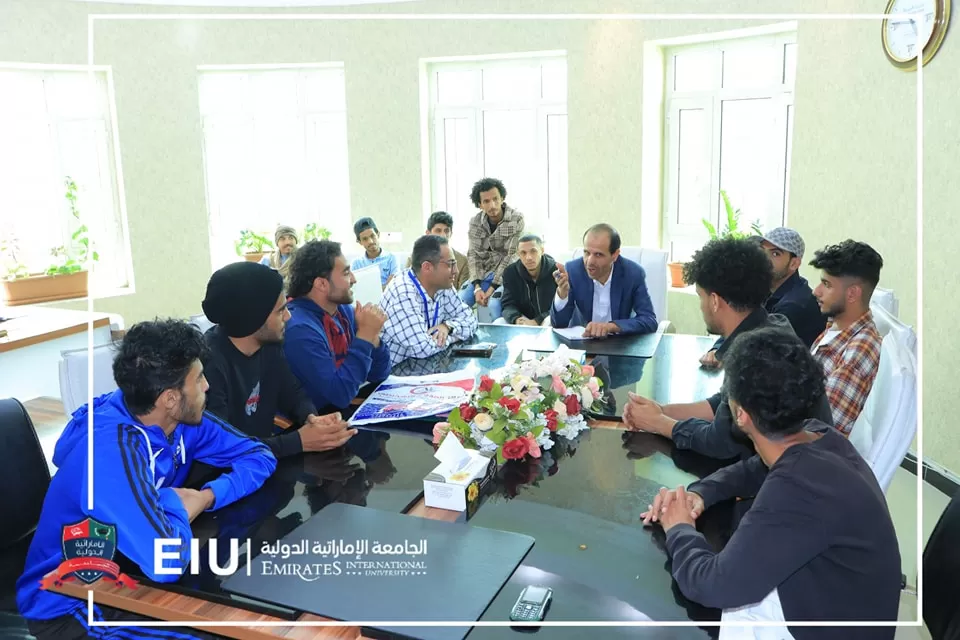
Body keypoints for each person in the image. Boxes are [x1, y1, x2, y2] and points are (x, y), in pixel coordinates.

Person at [16, 320, 277, 640]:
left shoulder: (182, 421)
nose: (207, 386)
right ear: (169, 397)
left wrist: (207, 496)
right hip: (71, 604)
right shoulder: (109, 452)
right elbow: (165, 562)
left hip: (132, 573)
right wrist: (172, 502)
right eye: (199, 379)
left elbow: (260, 456)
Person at [642, 328, 901, 638]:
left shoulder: (797, 489)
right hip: (832, 597)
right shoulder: (818, 435)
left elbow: (713, 586)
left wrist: (679, 527)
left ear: (740, 415)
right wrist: (701, 493)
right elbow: (755, 468)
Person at [622, 237, 833, 460]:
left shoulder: (756, 353)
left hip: (799, 477)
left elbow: (721, 443)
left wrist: (659, 423)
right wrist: (662, 411)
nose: (701, 306)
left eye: (700, 296)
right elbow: (720, 406)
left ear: (714, 301)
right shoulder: (769, 327)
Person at [200, 261, 357, 458]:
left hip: (264, 465)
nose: (289, 317)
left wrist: (311, 418)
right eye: (281, 310)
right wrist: (299, 441)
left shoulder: (270, 346)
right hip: (226, 479)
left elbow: (292, 392)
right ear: (253, 318)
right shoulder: (207, 365)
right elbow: (221, 447)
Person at [284, 240, 391, 411]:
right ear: (322, 284)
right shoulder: (298, 328)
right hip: (315, 424)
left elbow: (380, 374)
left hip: (345, 412)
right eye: (347, 273)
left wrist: (373, 337)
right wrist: (364, 336)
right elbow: (340, 395)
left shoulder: (344, 311)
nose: (354, 279)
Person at [701, 227, 825, 367]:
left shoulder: (794, 304)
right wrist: (717, 348)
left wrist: (720, 353)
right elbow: (739, 323)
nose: (765, 259)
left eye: (775, 253)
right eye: (762, 251)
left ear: (793, 264)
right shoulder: (766, 288)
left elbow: (753, 340)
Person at [809, 240, 884, 436]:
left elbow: (821, 431)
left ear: (852, 294)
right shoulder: (836, 328)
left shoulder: (860, 349)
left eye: (826, 284)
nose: (816, 291)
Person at [380, 234, 479, 366]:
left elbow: (471, 319)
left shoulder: (443, 285)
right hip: (394, 375)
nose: (455, 271)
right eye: (450, 264)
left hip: (427, 367)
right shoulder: (403, 293)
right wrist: (452, 336)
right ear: (427, 267)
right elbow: (423, 348)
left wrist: (448, 327)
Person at [551, 223, 658, 337]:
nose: (590, 261)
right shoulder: (573, 271)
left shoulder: (633, 274)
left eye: (598, 255)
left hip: (619, 346)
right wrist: (562, 294)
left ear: (615, 255)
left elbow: (649, 321)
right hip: (582, 345)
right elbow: (558, 324)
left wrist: (610, 327)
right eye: (586, 252)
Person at [461, 177, 525, 320]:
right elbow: (473, 255)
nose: (492, 205)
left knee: (493, 305)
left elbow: (511, 257)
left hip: (506, 276)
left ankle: (496, 340)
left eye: (495, 199)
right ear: (480, 204)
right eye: (486, 201)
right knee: (460, 301)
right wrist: (477, 287)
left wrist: (492, 288)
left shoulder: (516, 219)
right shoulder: (475, 222)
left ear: (502, 198)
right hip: (481, 275)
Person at [497, 234, 558, 326]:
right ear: (518, 254)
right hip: (523, 319)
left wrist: (537, 321)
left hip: (547, 318)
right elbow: (508, 304)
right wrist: (517, 319)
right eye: (523, 253)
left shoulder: (556, 271)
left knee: (549, 322)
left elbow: (560, 306)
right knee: (499, 322)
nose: (528, 257)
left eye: (533, 251)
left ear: (542, 251)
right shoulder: (510, 272)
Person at [406, 211, 469, 291]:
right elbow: (410, 288)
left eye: (446, 231)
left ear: (451, 233)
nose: (443, 235)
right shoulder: (413, 259)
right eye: (438, 231)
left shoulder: (462, 261)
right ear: (428, 233)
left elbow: (462, 294)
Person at [350, 217, 398, 288]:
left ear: (378, 234)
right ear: (360, 242)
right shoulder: (356, 264)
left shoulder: (391, 259)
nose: (371, 241)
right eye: (365, 239)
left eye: (372, 236)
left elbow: (392, 287)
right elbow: (354, 288)